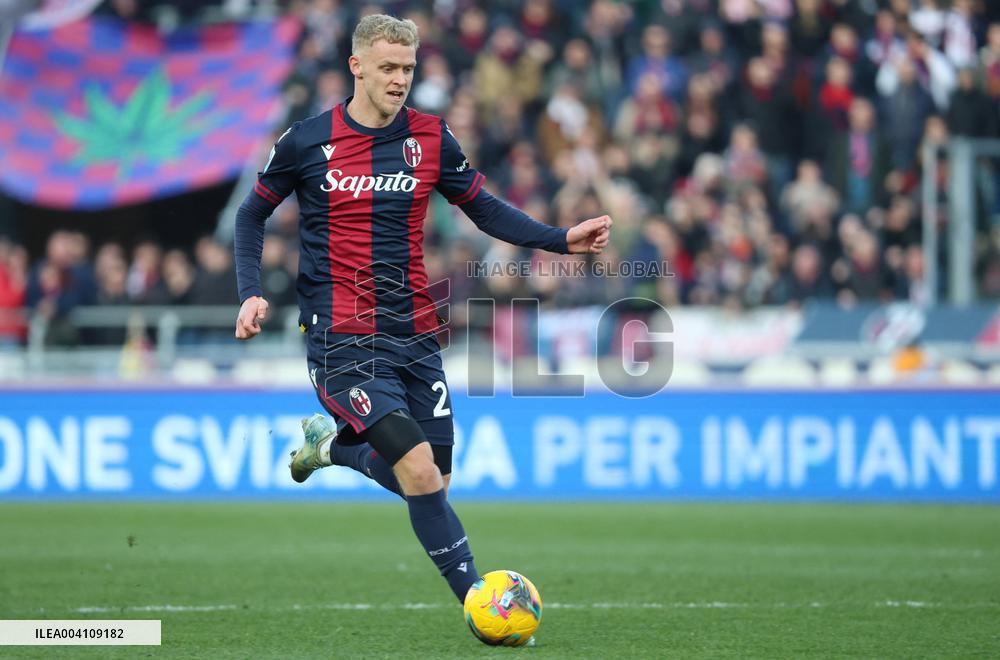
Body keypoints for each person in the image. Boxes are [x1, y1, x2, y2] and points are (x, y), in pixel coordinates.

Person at [231, 14, 612, 606]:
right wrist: (250, 290)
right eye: (388, 67)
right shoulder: (306, 141)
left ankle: (333, 448)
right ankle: (480, 601)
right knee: (418, 471)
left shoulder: (431, 138)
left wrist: (561, 239)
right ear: (356, 66)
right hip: (342, 337)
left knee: (434, 479)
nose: (400, 79)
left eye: (407, 68)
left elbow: (483, 209)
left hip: (413, 331)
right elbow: (251, 214)